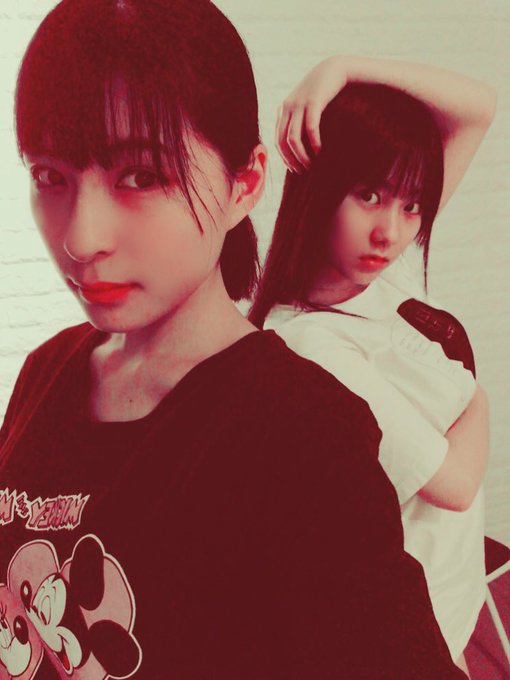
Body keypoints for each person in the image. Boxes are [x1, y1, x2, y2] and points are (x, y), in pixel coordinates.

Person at [0, 3, 468, 677]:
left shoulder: (305, 437)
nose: (80, 238)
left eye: (141, 176)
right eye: (51, 177)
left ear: (243, 184)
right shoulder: (47, 371)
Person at [251, 55, 496, 677]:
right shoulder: (310, 344)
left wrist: (342, 69)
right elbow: (454, 484)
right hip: (419, 631)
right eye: (369, 195)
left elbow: (479, 108)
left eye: (412, 205)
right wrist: (476, 400)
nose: (391, 230)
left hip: (453, 595)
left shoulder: (382, 268)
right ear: (320, 184)